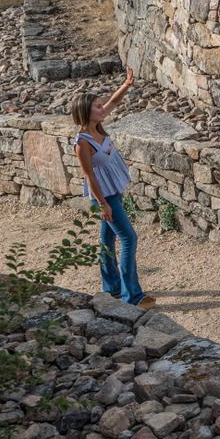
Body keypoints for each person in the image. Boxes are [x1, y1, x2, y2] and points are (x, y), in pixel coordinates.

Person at [70, 69, 154, 308]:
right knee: (128, 238)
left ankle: (112, 288)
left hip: (113, 190)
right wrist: (103, 204)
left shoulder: (97, 127)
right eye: (97, 106)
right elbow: (88, 175)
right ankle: (133, 297)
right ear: (86, 112)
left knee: (107, 239)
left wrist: (126, 84)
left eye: (100, 105)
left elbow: (114, 102)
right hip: (105, 196)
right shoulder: (83, 143)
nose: (102, 109)